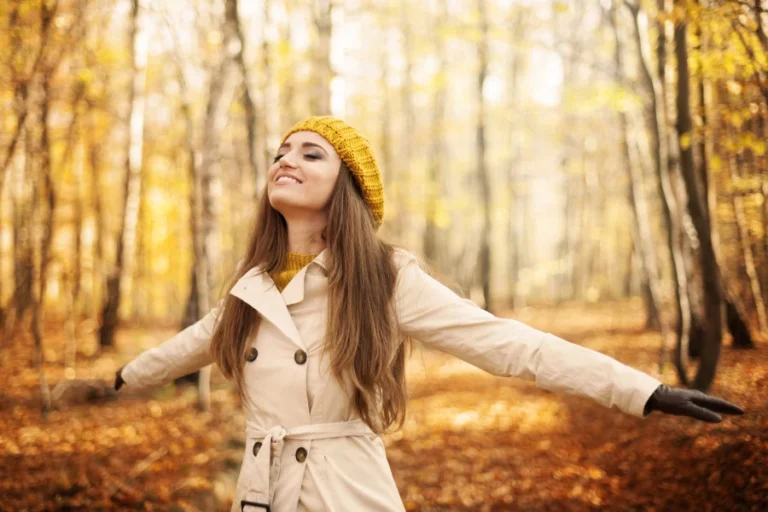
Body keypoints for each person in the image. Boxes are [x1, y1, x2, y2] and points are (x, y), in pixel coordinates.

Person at [114, 116, 743, 512]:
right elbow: (188, 347)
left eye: (312, 153)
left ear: (348, 188)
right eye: (282, 151)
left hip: (344, 491)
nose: (286, 159)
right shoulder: (249, 287)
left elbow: (509, 344)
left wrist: (644, 390)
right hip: (260, 488)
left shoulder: (383, 280)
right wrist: (119, 379)